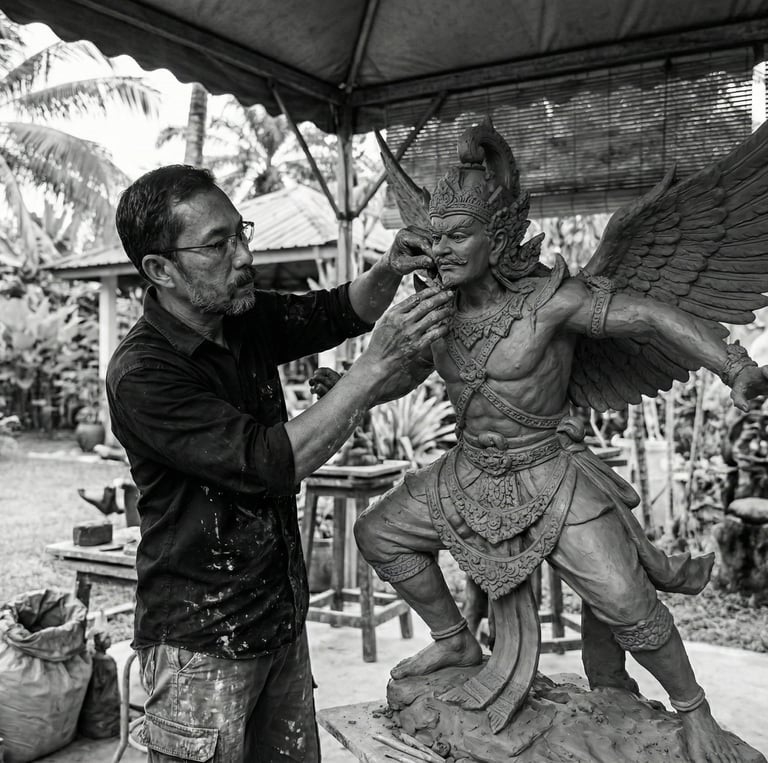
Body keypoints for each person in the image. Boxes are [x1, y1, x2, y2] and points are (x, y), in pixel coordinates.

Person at [353, 120, 768, 762]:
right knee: (379, 533)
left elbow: (650, 316)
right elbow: (405, 369)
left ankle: (695, 711)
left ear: (496, 241)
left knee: (627, 602)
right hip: (468, 470)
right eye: (434, 238)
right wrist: (351, 388)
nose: (442, 251)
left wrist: (733, 366)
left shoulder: (549, 303)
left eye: (458, 236)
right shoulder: (436, 310)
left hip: (548, 473)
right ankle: (455, 639)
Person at [106, 164, 453, 763]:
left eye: (241, 233)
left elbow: (338, 311)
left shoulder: (241, 317)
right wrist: (373, 369)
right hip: (201, 643)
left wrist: (390, 269)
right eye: (218, 245)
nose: (244, 256)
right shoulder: (144, 374)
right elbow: (269, 463)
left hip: (280, 620)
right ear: (160, 270)